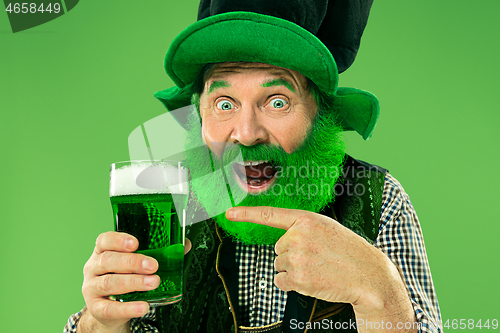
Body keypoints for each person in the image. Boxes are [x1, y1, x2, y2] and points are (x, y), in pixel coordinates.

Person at [65, 0, 442, 332]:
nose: (246, 135)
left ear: (320, 115)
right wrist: (100, 322)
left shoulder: (379, 200)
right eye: (224, 103)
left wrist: (380, 294)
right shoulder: (169, 204)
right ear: (198, 116)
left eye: (277, 101)